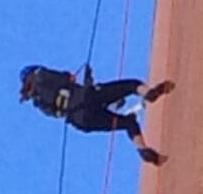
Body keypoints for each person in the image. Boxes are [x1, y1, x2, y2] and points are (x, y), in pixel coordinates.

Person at [19, 64, 174, 166]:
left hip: (81, 121)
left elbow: (58, 112)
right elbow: (66, 78)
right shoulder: (40, 74)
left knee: (128, 122)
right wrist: (79, 79)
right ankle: (148, 93)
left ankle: (143, 149)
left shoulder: (39, 103)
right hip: (87, 97)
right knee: (132, 85)